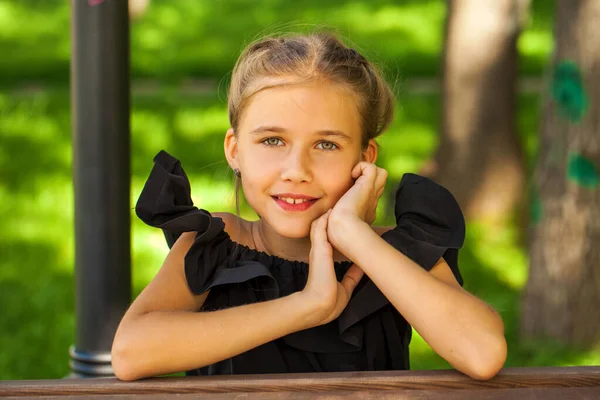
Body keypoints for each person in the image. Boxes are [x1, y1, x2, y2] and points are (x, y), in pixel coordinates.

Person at [111, 31, 507, 381]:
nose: (296, 171)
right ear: (235, 150)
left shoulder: (395, 253)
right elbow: (130, 353)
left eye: (326, 145)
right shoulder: (215, 244)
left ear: (365, 158)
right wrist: (308, 306)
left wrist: (354, 237)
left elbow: (482, 353)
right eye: (272, 141)